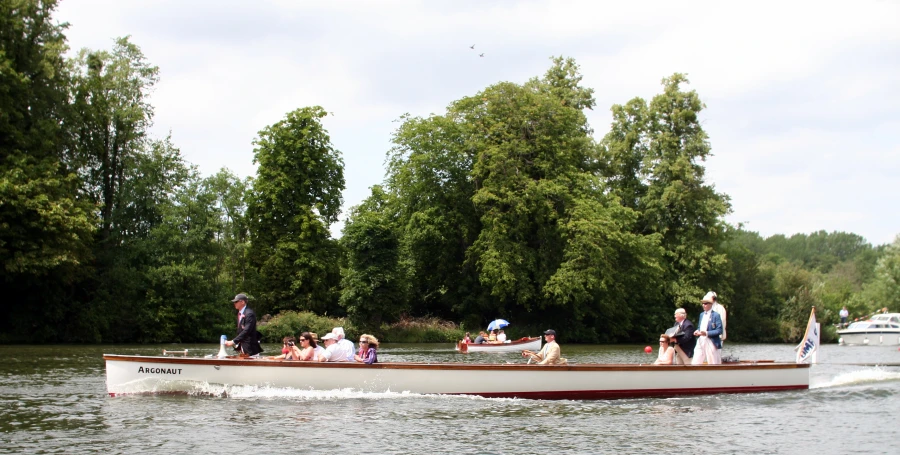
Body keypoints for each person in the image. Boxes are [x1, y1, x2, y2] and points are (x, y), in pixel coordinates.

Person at [692, 295, 724, 365]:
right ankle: (694, 373)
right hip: (701, 340)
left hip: (711, 340)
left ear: (710, 304)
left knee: (712, 361)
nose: (703, 305)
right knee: (696, 360)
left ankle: (714, 374)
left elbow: (719, 330)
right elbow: (699, 327)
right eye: (703, 303)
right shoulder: (701, 315)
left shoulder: (716, 315)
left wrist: (706, 333)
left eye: (705, 303)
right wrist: (697, 331)